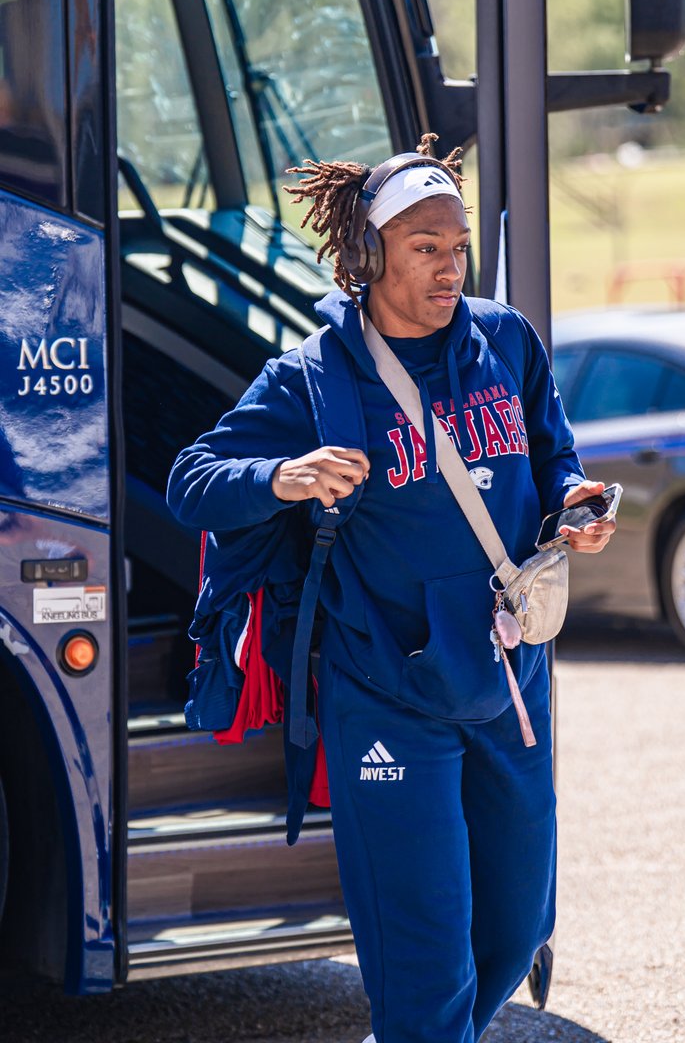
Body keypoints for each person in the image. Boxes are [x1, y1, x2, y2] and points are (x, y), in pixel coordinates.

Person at [167, 134, 616, 1043]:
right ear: (368, 256)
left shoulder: (505, 339)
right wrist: (282, 477)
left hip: (508, 682)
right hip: (388, 699)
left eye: (457, 249)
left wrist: (573, 500)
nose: (450, 269)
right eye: (425, 249)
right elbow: (191, 478)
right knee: (426, 966)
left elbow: (551, 448)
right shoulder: (314, 376)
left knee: (520, 925)